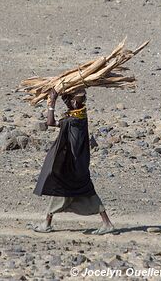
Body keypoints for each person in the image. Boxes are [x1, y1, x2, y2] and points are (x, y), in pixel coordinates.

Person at [33, 88, 114, 235]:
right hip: (77, 164)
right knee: (79, 191)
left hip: (73, 165)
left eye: (70, 100)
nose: (69, 103)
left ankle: (47, 223)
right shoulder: (80, 116)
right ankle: (47, 222)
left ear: (74, 103)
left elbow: (50, 122)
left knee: (74, 189)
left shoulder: (72, 120)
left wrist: (52, 102)